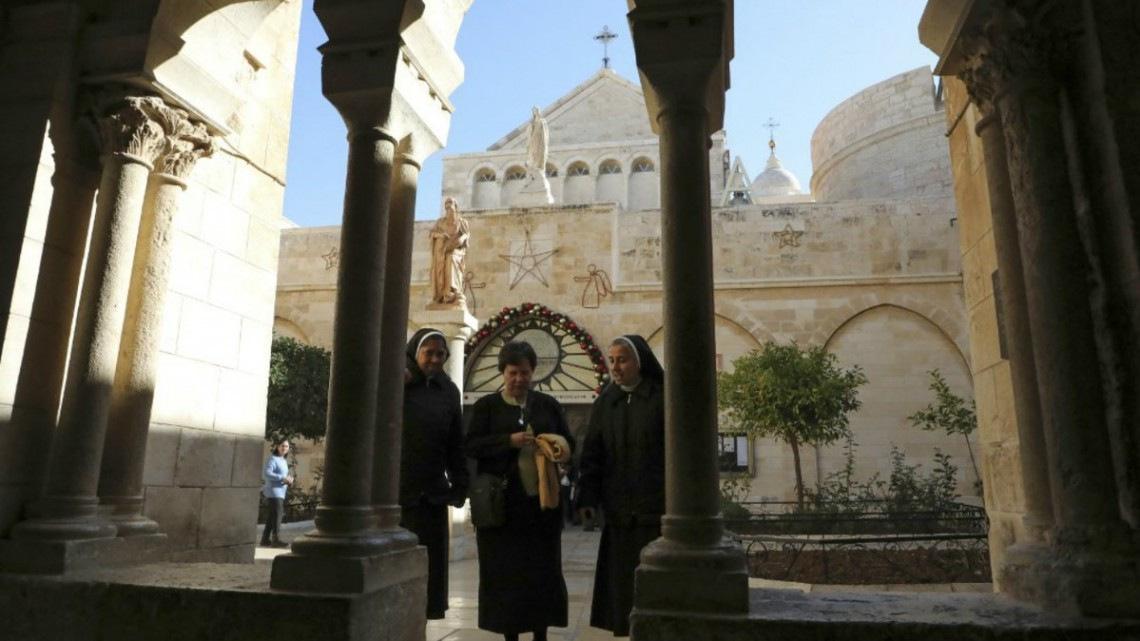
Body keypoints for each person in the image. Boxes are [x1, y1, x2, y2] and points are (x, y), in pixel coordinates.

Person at [466, 341, 574, 641]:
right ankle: (509, 633)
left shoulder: (547, 405)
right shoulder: (486, 407)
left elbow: (569, 442)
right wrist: (507, 442)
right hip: (502, 510)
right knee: (506, 575)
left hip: (540, 508)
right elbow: (472, 445)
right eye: (513, 373)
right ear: (503, 372)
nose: (518, 379)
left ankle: (541, 632)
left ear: (532, 372)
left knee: (540, 573)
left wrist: (556, 447)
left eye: (524, 373)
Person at [577, 335, 666, 637]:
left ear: (639, 362)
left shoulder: (660, 398)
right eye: (612, 360)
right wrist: (587, 498)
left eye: (622, 360)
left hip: (654, 511)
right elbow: (592, 454)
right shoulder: (606, 402)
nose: (615, 367)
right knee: (622, 585)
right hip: (618, 513)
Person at [399, 328, 470, 620]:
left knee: (430, 571)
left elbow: (455, 441)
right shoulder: (399, 382)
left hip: (433, 495)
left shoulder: (449, 391)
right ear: (415, 353)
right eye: (429, 352)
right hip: (399, 493)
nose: (435, 359)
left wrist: (460, 484)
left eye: (441, 354)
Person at [429, 197, 470, 307]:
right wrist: (441, 235)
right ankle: (441, 294)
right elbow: (432, 234)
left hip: (457, 251)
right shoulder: (440, 222)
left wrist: (460, 240)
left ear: (455, 207)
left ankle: (453, 290)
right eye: (446, 206)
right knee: (444, 259)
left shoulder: (462, 222)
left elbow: (466, 235)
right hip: (442, 251)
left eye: (450, 204)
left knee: (451, 258)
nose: (448, 207)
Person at [261, 439, 293, 548]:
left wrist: (289, 480)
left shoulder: (283, 460)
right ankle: (276, 539)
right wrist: (282, 478)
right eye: (282, 446)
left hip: (280, 491)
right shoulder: (273, 459)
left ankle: (265, 539)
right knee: (278, 514)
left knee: (272, 515)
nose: (284, 448)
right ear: (277, 447)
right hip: (274, 491)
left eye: (287, 446)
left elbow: (283, 476)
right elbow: (267, 473)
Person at [525, 106, 549, 180]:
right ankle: (533, 167)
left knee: (540, 153)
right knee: (533, 152)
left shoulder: (542, 121)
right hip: (533, 139)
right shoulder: (532, 122)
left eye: (537, 110)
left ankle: (538, 167)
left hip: (540, 139)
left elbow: (546, 132)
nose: (536, 112)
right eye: (534, 111)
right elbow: (529, 132)